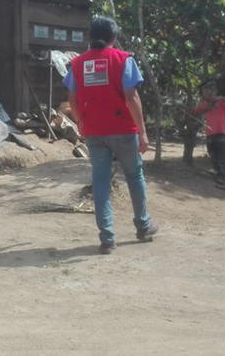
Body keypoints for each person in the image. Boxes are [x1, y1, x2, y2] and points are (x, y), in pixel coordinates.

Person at [63, 16, 158, 255]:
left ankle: (107, 238)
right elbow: (132, 97)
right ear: (113, 37)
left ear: (90, 37)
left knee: (101, 183)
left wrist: (81, 123)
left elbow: (72, 99)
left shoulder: (78, 64)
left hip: (94, 131)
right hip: (124, 129)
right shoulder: (123, 60)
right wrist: (143, 133)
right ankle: (143, 226)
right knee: (134, 176)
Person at [191, 81, 225, 189]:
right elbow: (195, 112)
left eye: (207, 91)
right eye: (204, 92)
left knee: (224, 158)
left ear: (214, 92)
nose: (205, 93)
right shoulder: (205, 104)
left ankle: (224, 179)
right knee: (214, 157)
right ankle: (220, 176)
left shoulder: (221, 102)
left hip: (223, 133)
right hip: (210, 134)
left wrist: (221, 98)